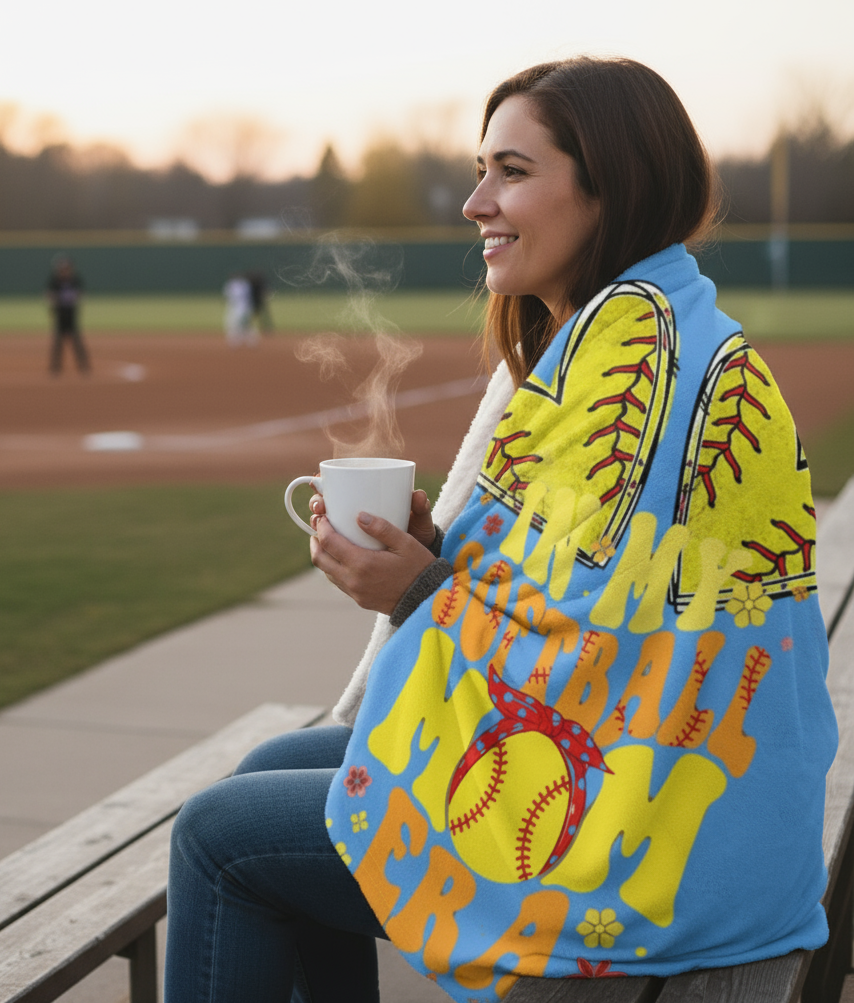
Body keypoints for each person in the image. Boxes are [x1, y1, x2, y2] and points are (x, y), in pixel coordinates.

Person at [164, 58, 836, 1002]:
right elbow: (585, 597)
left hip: (660, 844)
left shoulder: (637, 367)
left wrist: (416, 593)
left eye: (512, 171)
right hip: (689, 790)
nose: (477, 202)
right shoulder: (644, 327)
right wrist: (438, 560)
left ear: (612, 188)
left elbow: (596, 656)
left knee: (217, 839)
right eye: (481, 171)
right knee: (276, 765)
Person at [47, 255, 90, 375]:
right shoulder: (55, 281)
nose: (64, 271)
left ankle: (84, 367)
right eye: (62, 268)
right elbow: (50, 296)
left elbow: (80, 295)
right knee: (57, 344)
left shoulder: (75, 280)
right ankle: (55, 368)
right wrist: (53, 305)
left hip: (71, 316)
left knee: (77, 343)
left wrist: (75, 300)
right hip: (60, 316)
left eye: (66, 268)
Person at [223, 272, 258, 347]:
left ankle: (249, 341)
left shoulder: (242, 285)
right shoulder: (241, 285)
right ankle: (237, 341)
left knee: (242, 325)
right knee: (234, 325)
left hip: (242, 307)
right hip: (236, 307)